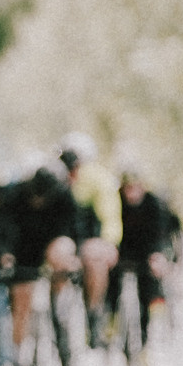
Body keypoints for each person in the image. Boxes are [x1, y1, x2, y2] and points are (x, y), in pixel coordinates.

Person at [0, 157, 81, 366]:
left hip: (52, 247)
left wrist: (70, 261)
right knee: (22, 302)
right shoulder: (15, 195)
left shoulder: (64, 197)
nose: (38, 202)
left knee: (61, 257)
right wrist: (5, 255)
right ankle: (18, 363)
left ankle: (60, 312)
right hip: (23, 250)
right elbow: (1, 228)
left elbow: (74, 231)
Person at [59, 132, 122, 345]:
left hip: (90, 237)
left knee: (95, 258)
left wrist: (109, 243)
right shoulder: (57, 178)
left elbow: (110, 215)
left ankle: (94, 313)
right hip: (64, 235)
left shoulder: (100, 179)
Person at [113, 167, 176, 362]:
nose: (131, 193)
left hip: (146, 251)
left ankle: (144, 344)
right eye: (127, 188)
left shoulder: (153, 203)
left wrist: (158, 255)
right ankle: (110, 320)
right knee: (112, 278)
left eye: (135, 188)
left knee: (147, 291)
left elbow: (160, 234)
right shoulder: (116, 201)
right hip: (121, 249)